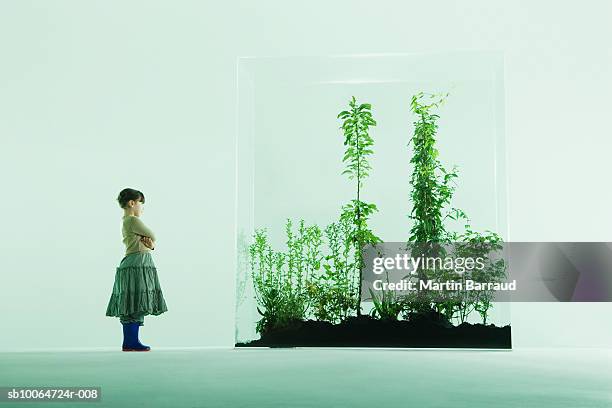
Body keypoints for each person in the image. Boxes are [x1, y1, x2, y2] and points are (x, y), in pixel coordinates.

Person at [105, 188, 168, 351]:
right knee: (135, 302)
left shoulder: (126, 221)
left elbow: (149, 241)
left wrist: (151, 246)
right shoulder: (133, 220)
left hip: (135, 260)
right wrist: (151, 242)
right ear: (132, 203)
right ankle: (131, 342)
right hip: (137, 262)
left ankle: (131, 342)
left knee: (133, 302)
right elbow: (152, 235)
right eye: (141, 203)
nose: (142, 208)